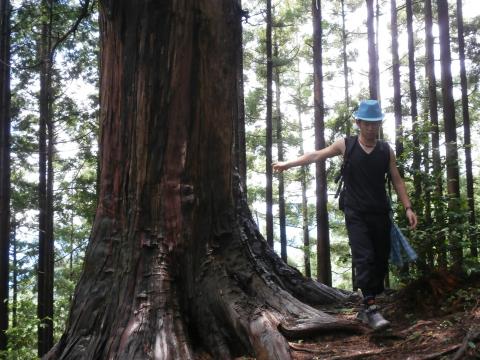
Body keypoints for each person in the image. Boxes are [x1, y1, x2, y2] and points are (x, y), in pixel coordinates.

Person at [272, 99, 417, 331]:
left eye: (375, 123)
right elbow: (316, 155)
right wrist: (288, 164)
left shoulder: (385, 150)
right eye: (366, 123)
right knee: (365, 258)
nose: (371, 128)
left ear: (379, 124)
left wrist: (408, 207)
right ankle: (370, 308)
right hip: (355, 212)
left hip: (380, 213)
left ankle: (368, 304)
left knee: (380, 261)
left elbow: (397, 180)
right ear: (358, 122)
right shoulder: (346, 145)